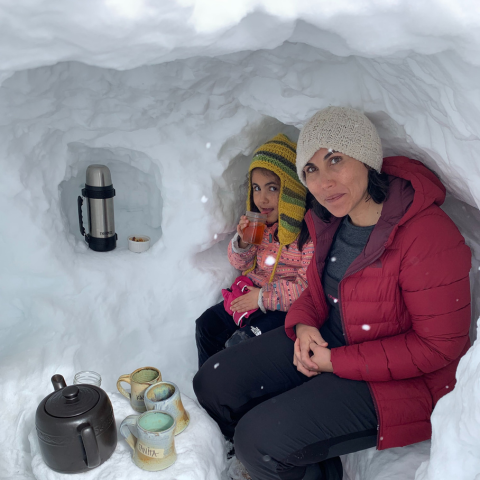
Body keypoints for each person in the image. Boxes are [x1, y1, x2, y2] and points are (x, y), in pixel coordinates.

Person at [193, 107, 472, 480]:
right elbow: (313, 290)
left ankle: (278, 455)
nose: (323, 183)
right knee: (213, 383)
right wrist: (304, 324)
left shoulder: (427, 235)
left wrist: (334, 363)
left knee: (257, 440)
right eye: (310, 169)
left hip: (402, 383)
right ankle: (300, 457)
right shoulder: (331, 220)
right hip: (330, 341)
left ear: (367, 158)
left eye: (335, 160)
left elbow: (439, 348)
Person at [195, 133, 314, 368]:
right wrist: (243, 242)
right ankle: (209, 381)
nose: (262, 198)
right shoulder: (262, 226)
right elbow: (241, 264)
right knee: (207, 324)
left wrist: (262, 298)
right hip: (249, 294)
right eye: (257, 188)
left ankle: (232, 391)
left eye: (273, 188)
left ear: (291, 191)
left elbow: (306, 288)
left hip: (281, 309)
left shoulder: (307, 236)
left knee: (243, 344)